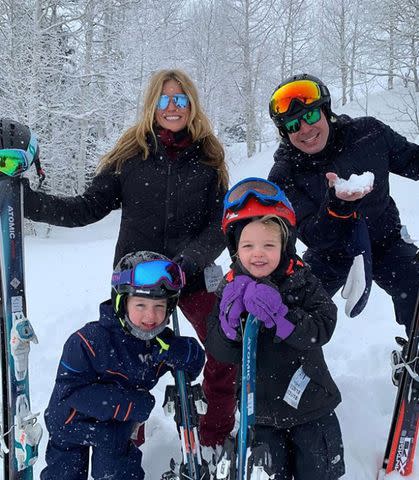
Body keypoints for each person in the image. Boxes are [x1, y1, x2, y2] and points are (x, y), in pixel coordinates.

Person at [7, 68, 236, 449]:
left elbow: (220, 226)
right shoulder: (132, 156)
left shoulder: (209, 159)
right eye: (165, 99)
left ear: (191, 104)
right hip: (135, 284)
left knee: (224, 346)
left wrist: (187, 262)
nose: (173, 107)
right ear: (153, 104)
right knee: (123, 367)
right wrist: (26, 201)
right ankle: (128, 441)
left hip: (191, 276)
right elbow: (87, 207)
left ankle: (213, 437)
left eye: (181, 99)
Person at [205, 178, 345, 479]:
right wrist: (229, 329)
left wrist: (282, 316)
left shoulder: (302, 279)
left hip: (311, 407)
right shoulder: (229, 289)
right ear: (235, 248)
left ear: (285, 244)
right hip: (261, 416)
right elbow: (218, 349)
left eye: (269, 245)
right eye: (248, 245)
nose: (258, 253)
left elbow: (322, 326)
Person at [268, 73, 419, 330]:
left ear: (326, 111)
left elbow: (413, 161)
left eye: (311, 116)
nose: (305, 129)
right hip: (328, 255)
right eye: (293, 125)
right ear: (285, 132)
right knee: (291, 319)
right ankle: (299, 367)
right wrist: (337, 208)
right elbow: (312, 234)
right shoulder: (284, 174)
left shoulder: (369, 134)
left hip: (385, 241)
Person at [41, 251, 205, 480]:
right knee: (65, 474)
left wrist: (183, 352)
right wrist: (133, 405)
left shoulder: (158, 343)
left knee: (118, 472)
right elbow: (72, 394)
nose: (151, 316)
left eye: (159, 306)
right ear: (121, 302)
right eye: (140, 305)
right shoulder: (87, 342)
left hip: (114, 430)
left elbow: (195, 362)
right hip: (71, 426)